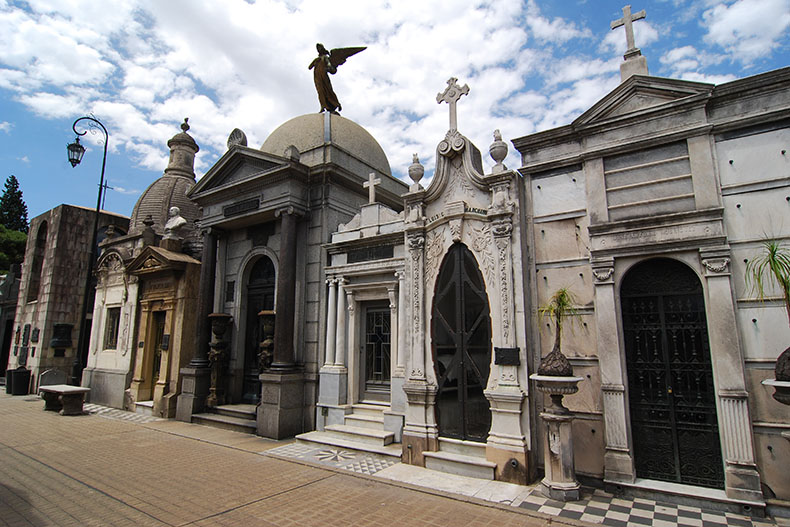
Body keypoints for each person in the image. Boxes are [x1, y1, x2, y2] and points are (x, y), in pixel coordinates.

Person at [309, 43, 342, 114]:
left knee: (328, 89)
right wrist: (316, 61)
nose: (318, 50)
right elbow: (309, 67)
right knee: (320, 91)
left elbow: (330, 66)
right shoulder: (317, 60)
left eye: (320, 48)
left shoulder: (325, 58)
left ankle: (336, 104)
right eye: (318, 49)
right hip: (317, 77)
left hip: (323, 75)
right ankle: (323, 106)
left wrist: (329, 67)